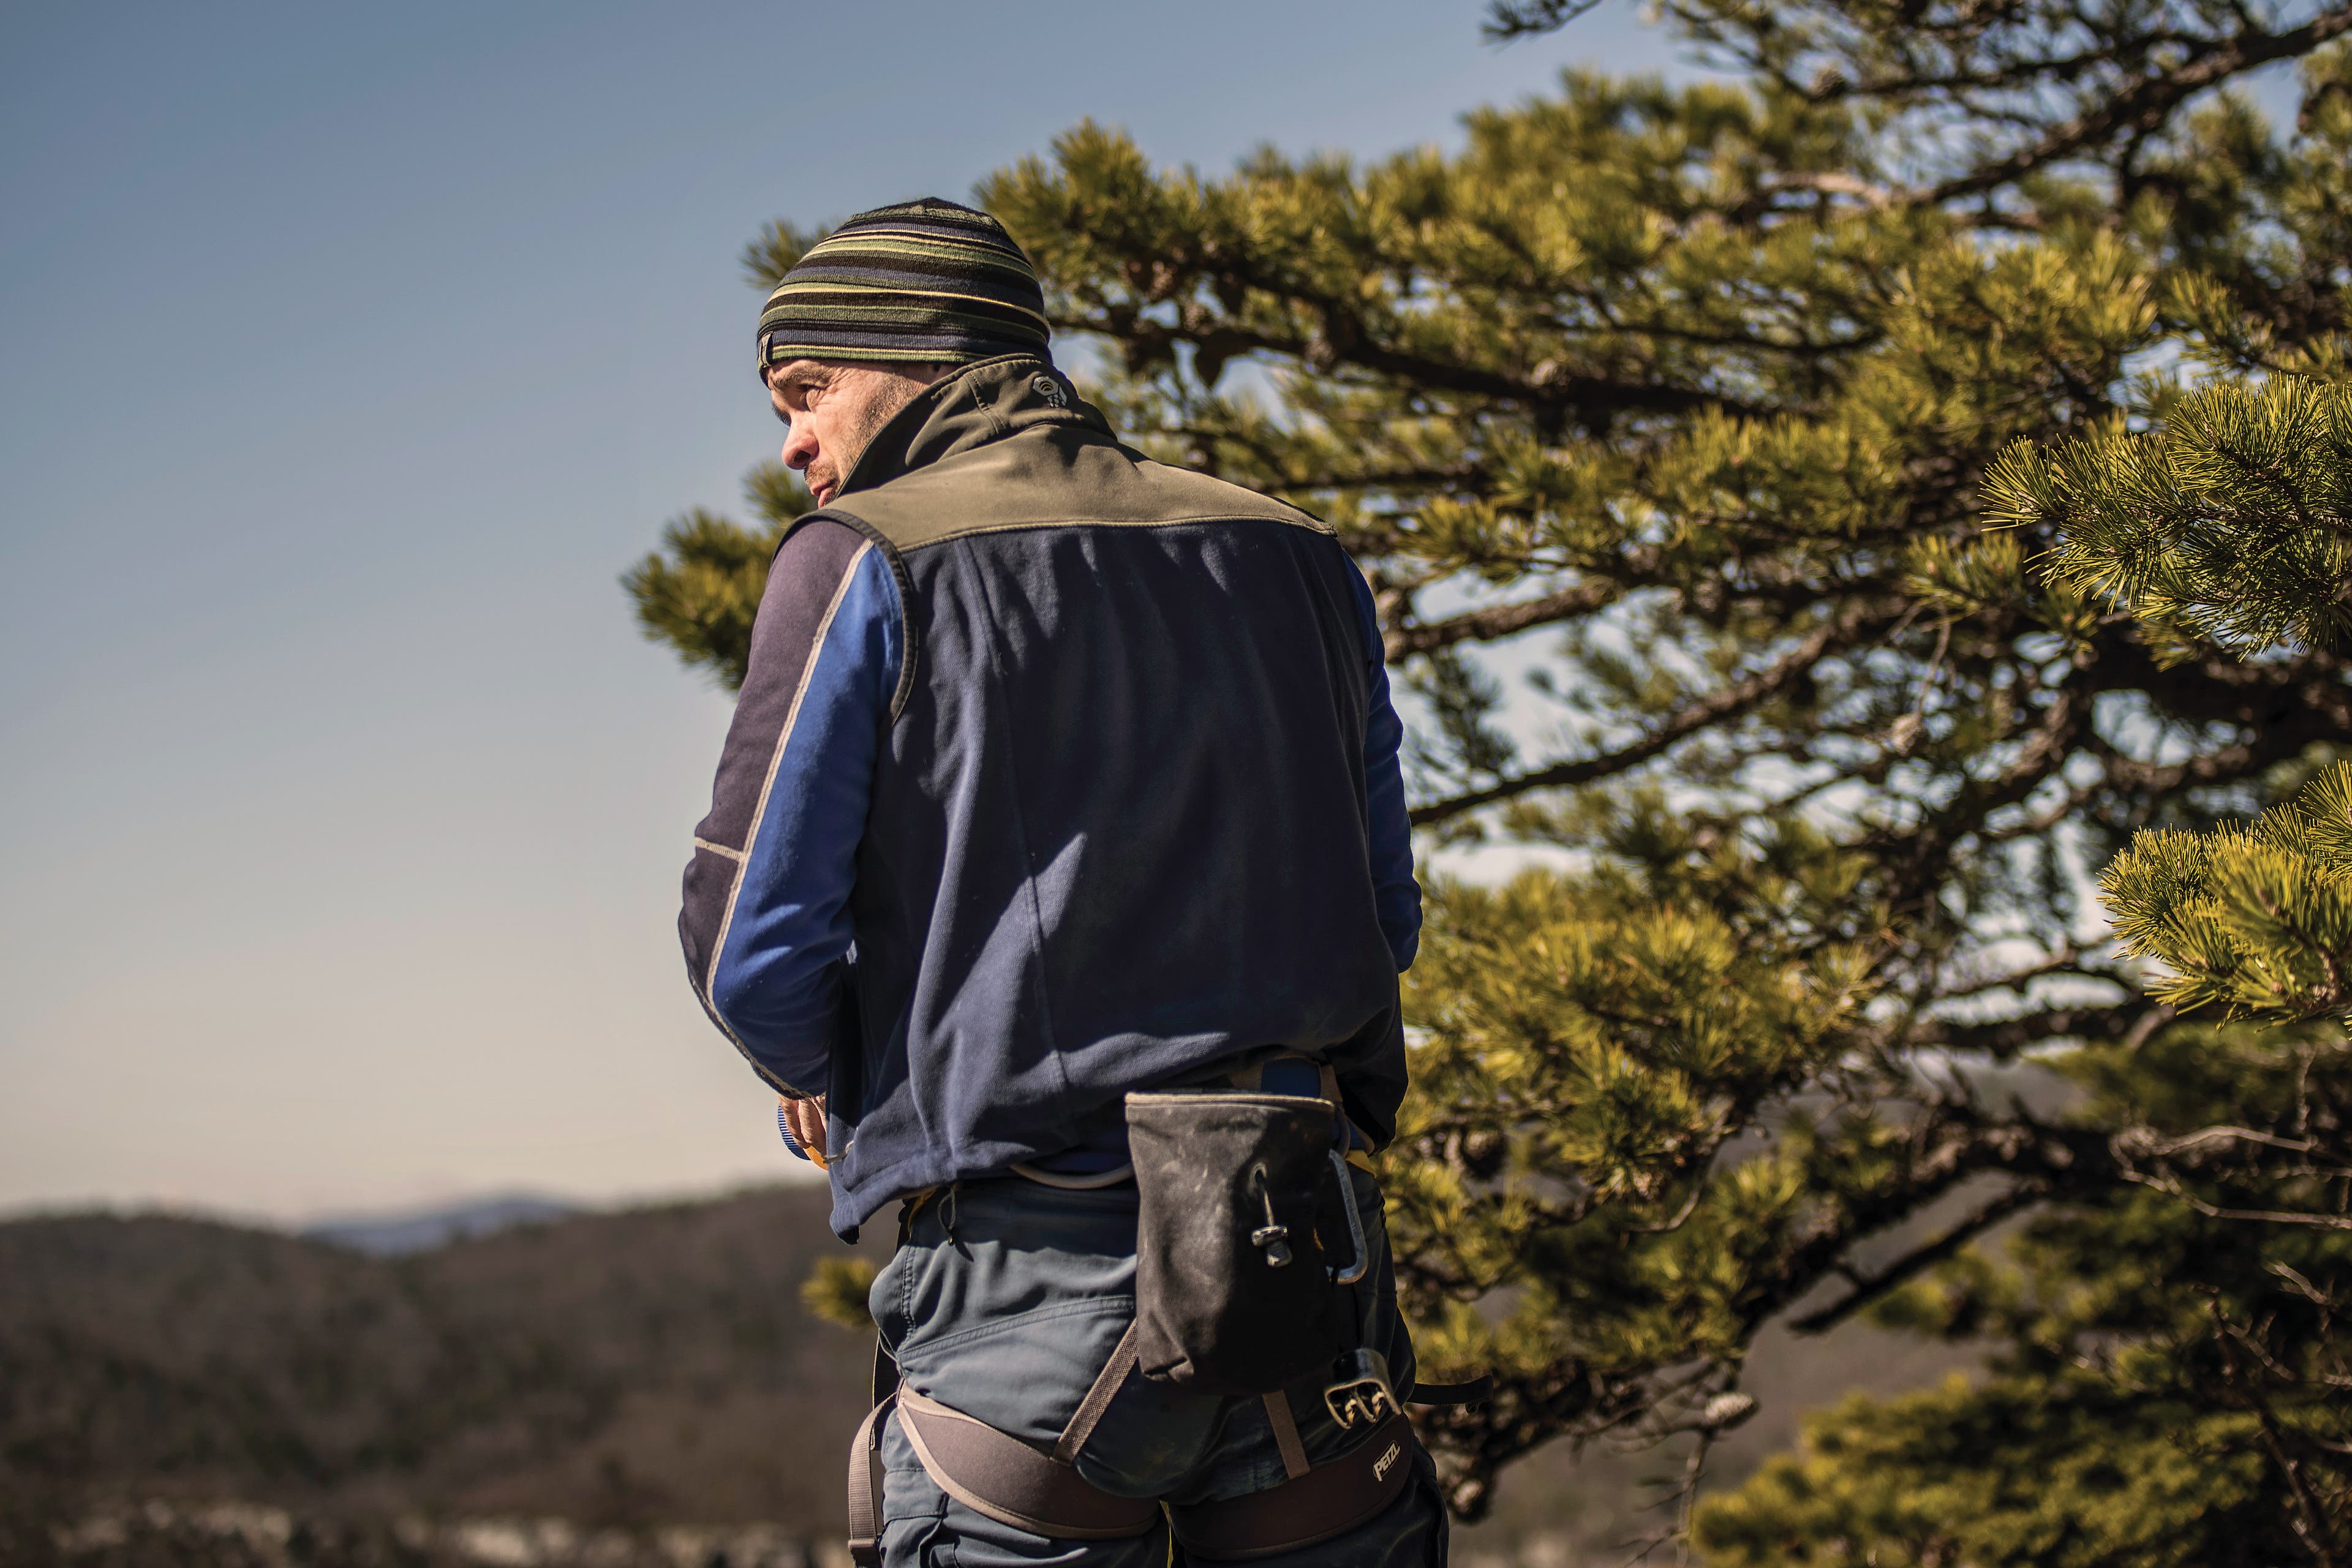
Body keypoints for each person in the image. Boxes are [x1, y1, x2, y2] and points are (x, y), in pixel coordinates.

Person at [679, 197, 1441, 1566]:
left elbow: (748, 945)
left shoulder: (863, 558)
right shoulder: (1299, 553)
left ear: (918, 357)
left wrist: (820, 1061)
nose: (792, 440)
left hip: (1036, 1293)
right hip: (1305, 1271)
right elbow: (1384, 913)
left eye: (807, 390)